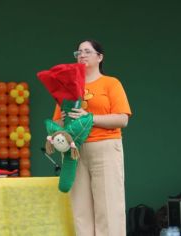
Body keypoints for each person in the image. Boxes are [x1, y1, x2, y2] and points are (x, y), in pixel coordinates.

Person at [52, 40, 132, 236]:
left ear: (100, 57)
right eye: (78, 52)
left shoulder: (111, 83)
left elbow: (122, 119)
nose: (82, 55)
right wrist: (62, 121)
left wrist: (90, 118)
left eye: (87, 51)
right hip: (75, 149)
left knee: (108, 205)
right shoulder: (69, 88)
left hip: (104, 146)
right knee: (80, 208)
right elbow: (58, 126)